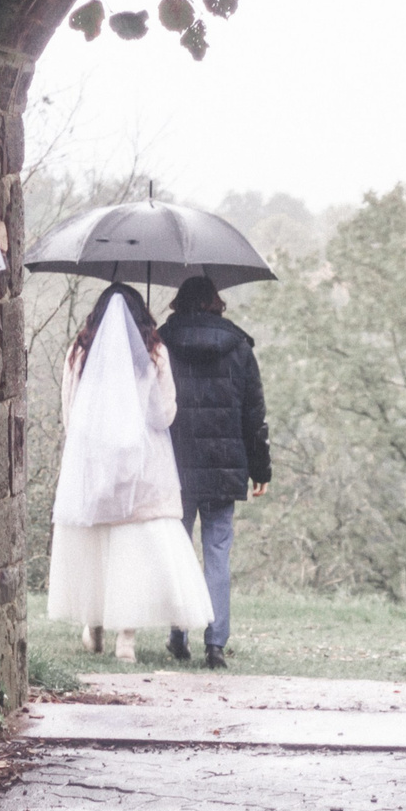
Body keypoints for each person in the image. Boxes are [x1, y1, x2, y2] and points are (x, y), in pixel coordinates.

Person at [47, 285, 215, 664]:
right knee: (133, 549)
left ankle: (95, 627)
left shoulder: (79, 352)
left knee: (95, 542)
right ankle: (127, 639)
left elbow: (70, 413)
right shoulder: (155, 352)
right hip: (142, 467)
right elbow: (164, 415)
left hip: (94, 462)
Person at [159, 275, 271, 668]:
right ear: (216, 303)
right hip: (225, 467)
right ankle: (215, 643)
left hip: (176, 465)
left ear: (180, 301)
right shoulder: (239, 347)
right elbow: (253, 415)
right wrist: (261, 468)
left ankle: (178, 634)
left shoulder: (162, 342)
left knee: (179, 551)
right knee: (218, 552)